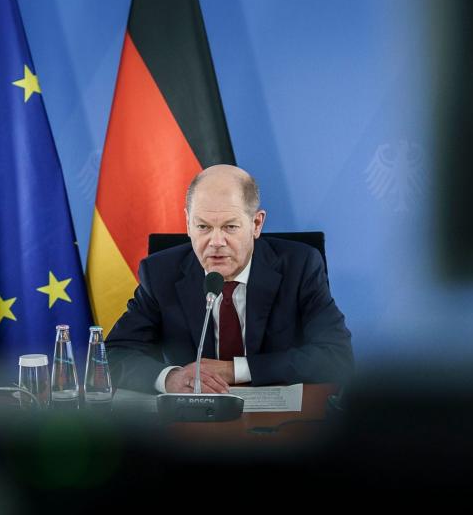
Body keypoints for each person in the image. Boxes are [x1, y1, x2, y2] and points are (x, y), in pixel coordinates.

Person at [105, 165, 354, 394]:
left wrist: (233, 370)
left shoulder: (299, 266)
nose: (215, 242)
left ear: (256, 224)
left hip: (279, 427)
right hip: (192, 426)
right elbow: (114, 355)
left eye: (230, 227)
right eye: (203, 227)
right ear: (188, 224)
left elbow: (336, 356)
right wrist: (169, 378)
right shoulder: (160, 273)